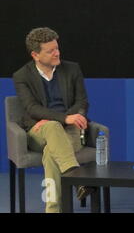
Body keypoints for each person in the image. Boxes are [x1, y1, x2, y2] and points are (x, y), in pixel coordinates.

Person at [12, 27, 94, 213]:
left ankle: (53, 210)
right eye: (50, 51)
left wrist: (71, 118)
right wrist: (64, 118)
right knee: (51, 127)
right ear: (35, 55)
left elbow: (82, 101)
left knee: (51, 153)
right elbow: (32, 108)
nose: (57, 53)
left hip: (70, 130)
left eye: (57, 48)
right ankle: (76, 177)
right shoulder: (22, 76)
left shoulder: (72, 69)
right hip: (39, 131)